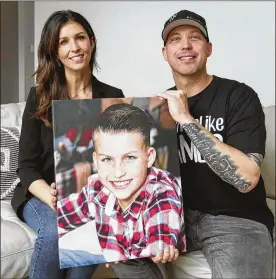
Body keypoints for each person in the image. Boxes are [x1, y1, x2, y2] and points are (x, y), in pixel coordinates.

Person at [155, 9, 274, 278]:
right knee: (119, 249)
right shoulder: (158, 108)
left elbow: (246, 179)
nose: (185, 45)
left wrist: (187, 120)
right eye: (175, 39)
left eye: (194, 37)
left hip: (236, 219)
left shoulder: (238, 96)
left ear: (208, 48)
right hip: (178, 218)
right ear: (165, 52)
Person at [11, 10, 124, 279]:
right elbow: (26, 166)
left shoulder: (113, 97)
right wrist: (50, 196)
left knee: (87, 234)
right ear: (54, 51)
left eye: (80, 38)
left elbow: (118, 156)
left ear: (91, 42)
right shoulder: (39, 96)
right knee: (53, 233)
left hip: (91, 197)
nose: (74, 47)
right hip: (41, 194)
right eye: (64, 42)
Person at [57, 103, 186, 264]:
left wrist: (156, 248)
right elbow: (58, 218)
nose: (118, 173)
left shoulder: (161, 189)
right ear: (96, 161)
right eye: (107, 159)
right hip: (119, 255)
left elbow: (160, 238)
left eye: (130, 158)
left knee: (130, 264)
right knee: (57, 255)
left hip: (143, 263)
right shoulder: (97, 187)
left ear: (150, 157)